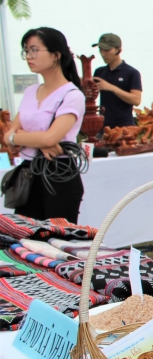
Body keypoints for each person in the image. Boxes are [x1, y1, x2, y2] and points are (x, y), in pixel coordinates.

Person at [6, 28, 86, 221]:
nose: (28, 56)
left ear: (56, 55)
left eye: (34, 50)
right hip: (28, 174)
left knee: (58, 240)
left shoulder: (71, 95)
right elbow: (8, 136)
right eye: (26, 51)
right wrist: (37, 140)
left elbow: (51, 137)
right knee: (26, 239)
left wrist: (24, 138)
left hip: (58, 174)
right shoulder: (30, 91)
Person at [91, 33, 142, 128]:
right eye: (100, 50)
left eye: (106, 50)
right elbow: (90, 96)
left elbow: (136, 100)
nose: (103, 54)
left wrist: (111, 88)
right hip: (103, 127)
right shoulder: (99, 72)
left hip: (125, 127)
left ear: (118, 50)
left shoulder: (131, 73)